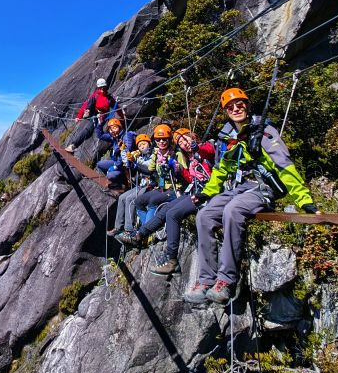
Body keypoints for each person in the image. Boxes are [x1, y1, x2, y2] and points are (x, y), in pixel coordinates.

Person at [183, 87, 318, 304]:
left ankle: (226, 281)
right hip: (241, 187)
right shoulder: (229, 135)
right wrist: (207, 193)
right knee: (205, 216)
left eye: (239, 104)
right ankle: (206, 279)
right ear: (226, 111)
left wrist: (304, 200)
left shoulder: (263, 131)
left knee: (233, 210)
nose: (236, 109)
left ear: (247, 105)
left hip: (263, 188)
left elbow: (284, 165)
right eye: (230, 107)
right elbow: (221, 168)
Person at [119, 129, 214, 275]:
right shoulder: (187, 156)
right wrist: (178, 169)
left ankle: (172, 261)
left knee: (172, 214)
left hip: (205, 193)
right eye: (181, 142)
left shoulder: (202, 149)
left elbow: (209, 151)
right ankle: (138, 235)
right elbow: (189, 179)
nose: (184, 144)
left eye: (186, 140)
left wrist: (197, 148)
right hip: (194, 191)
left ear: (192, 138)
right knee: (166, 209)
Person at [130, 123, 182, 227]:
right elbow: (150, 169)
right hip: (161, 187)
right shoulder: (156, 154)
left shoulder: (176, 154)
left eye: (164, 139)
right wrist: (151, 156)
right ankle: (147, 229)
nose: (161, 142)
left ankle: (147, 230)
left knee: (153, 201)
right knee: (138, 202)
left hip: (173, 188)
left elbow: (181, 172)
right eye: (158, 140)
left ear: (169, 139)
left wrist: (175, 166)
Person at [108, 133, 155, 237]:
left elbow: (149, 169)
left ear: (149, 143)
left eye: (144, 144)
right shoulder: (139, 156)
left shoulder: (153, 155)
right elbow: (127, 162)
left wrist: (135, 163)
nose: (142, 147)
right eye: (140, 145)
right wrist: (124, 151)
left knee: (130, 199)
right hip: (142, 185)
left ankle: (129, 229)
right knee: (122, 198)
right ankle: (118, 227)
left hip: (150, 185)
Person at [65, 78, 121, 152]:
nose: (102, 89)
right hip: (94, 113)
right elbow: (85, 105)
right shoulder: (95, 95)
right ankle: (73, 145)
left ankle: (117, 143)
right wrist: (79, 116)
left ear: (106, 87)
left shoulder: (109, 98)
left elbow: (116, 107)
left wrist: (123, 115)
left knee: (109, 128)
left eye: (104, 87)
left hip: (104, 116)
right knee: (89, 130)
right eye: (100, 88)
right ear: (98, 88)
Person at [95, 116, 136, 188]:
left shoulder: (126, 136)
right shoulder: (114, 138)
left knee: (110, 175)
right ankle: (116, 182)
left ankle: (124, 182)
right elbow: (100, 135)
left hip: (127, 165)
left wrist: (116, 166)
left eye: (114, 127)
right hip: (117, 163)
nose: (112, 131)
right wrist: (100, 123)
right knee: (100, 164)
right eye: (110, 129)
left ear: (119, 128)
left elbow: (126, 152)